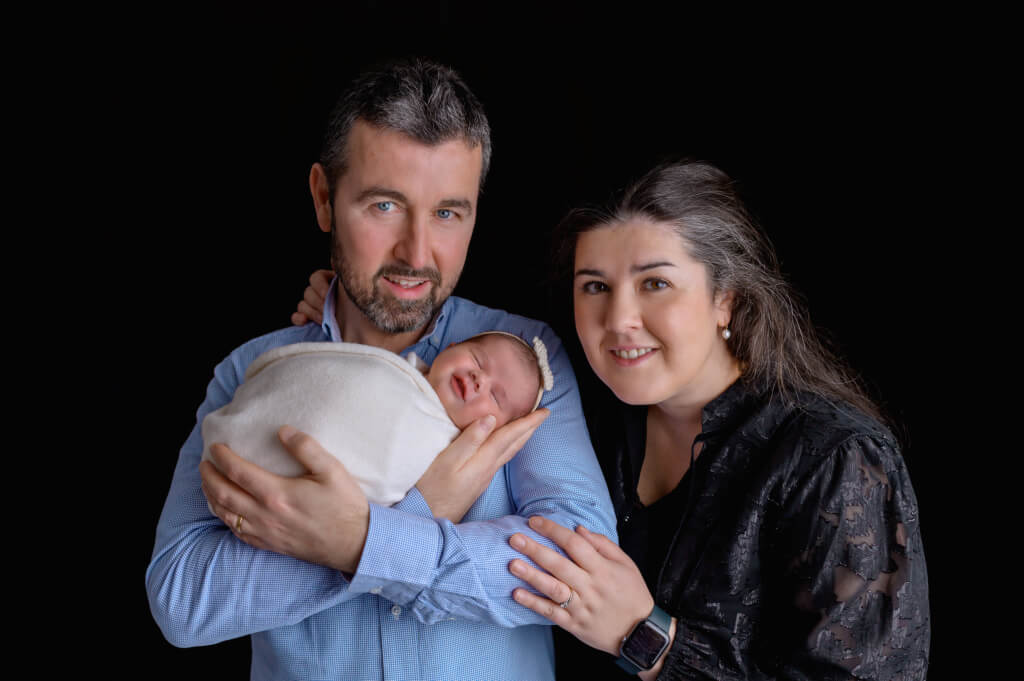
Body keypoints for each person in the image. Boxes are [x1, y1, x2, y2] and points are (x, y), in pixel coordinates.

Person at [293, 159, 931, 679]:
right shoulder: (588, 408)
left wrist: (648, 639)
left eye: (655, 284)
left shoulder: (834, 460)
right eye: (595, 286)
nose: (619, 320)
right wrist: (352, 309)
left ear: (726, 299)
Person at [146, 57, 616, 681]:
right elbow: (181, 597)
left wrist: (358, 542)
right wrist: (421, 514)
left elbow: (579, 568)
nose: (417, 254)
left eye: (448, 213)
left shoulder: (525, 363)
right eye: (385, 205)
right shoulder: (252, 373)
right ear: (324, 198)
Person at [201, 332, 554, 506]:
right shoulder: (395, 369)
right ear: (449, 349)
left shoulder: (443, 454)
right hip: (254, 424)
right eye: (477, 359)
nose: (479, 379)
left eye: (496, 397)